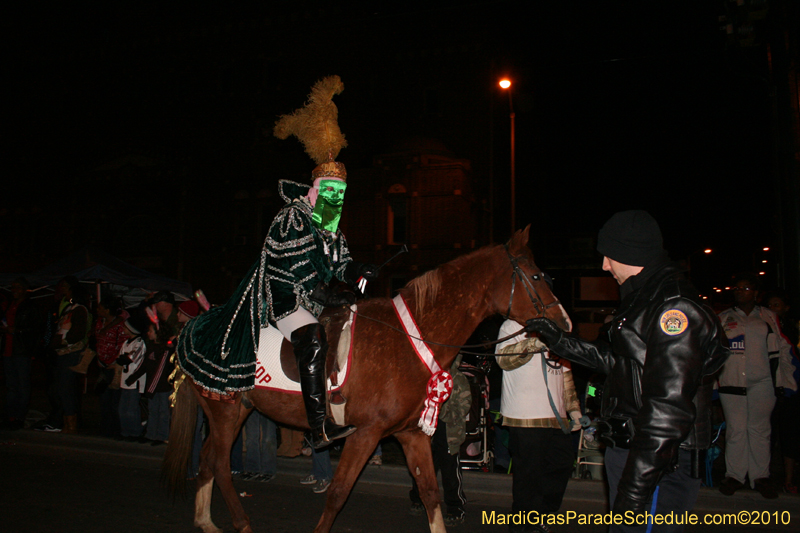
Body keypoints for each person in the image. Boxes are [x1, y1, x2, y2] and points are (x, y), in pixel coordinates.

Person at [176, 76, 377, 449]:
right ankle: (318, 428)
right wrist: (326, 294)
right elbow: (291, 269)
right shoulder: (292, 217)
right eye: (330, 192)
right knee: (314, 338)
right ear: (313, 190)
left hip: (317, 300)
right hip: (284, 301)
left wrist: (360, 271)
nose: (336, 199)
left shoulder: (330, 226)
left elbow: (342, 264)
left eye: (342, 194)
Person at [526, 210, 729, 533]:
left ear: (629, 253)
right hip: (636, 453)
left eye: (608, 256)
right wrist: (561, 342)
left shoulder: (673, 308)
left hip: (657, 464)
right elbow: (624, 365)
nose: (604, 266)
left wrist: (632, 496)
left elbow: (667, 412)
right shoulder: (645, 297)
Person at [494, 318, 584, 533]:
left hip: (556, 416)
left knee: (562, 464)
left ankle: (542, 517)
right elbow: (503, 360)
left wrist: (574, 410)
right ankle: (522, 527)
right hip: (525, 415)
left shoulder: (556, 328)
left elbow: (565, 373)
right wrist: (534, 343)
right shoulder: (512, 325)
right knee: (528, 476)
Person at [716, 275, 797, 498]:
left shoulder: (768, 316)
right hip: (731, 381)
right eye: (737, 288)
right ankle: (734, 476)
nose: (741, 291)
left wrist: (785, 380)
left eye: (746, 287)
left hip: (763, 382)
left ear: (756, 293)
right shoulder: (723, 318)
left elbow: (783, 349)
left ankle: (760, 477)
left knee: (760, 429)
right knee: (736, 429)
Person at [408, 354, 472, 526]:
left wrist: (442, 412)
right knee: (423, 470)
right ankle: (418, 499)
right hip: (428, 435)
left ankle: (455, 508)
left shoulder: (459, 380)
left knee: (451, 473)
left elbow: (464, 408)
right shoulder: (430, 377)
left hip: (449, 434)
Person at [765, 290, 800, 493]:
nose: (772, 309)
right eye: (769, 305)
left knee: (789, 435)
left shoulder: (791, 329)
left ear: (786, 308)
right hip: (767, 387)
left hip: (791, 390)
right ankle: (765, 474)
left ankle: (789, 478)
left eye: (776, 305)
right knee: (767, 432)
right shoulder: (763, 328)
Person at [1, 278, 41, 430]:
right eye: (12, 287)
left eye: (17, 287)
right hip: (9, 350)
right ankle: (10, 415)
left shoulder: (30, 306)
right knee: (11, 386)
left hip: (22, 351)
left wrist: (17, 331)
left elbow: (36, 329)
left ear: (25, 289)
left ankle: (19, 416)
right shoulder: (10, 305)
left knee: (22, 385)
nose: (14, 290)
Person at [92, 297, 129, 438]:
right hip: (102, 365)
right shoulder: (100, 323)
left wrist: (115, 363)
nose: (98, 310)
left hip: (114, 367)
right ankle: (106, 430)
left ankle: (116, 430)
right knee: (104, 400)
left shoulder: (120, 325)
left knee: (115, 402)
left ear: (108, 310)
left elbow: (123, 346)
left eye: (100, 307)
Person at [117, 311, 149, 441]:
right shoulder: (126, 343)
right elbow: (121, 358)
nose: (123, 329)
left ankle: (135, 432)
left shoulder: (140, 343)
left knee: (132, 409)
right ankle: (125, 432)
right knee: (122, 408)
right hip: (124, 381)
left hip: (134, 381)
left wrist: (124, 358)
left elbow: (130, 358)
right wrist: (123, 358)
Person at [240, 411, 278, 482]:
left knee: (268, 438)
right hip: (252, 404)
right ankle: (252, 468)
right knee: (251, 437)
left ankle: (268, 470)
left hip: (268, 405)